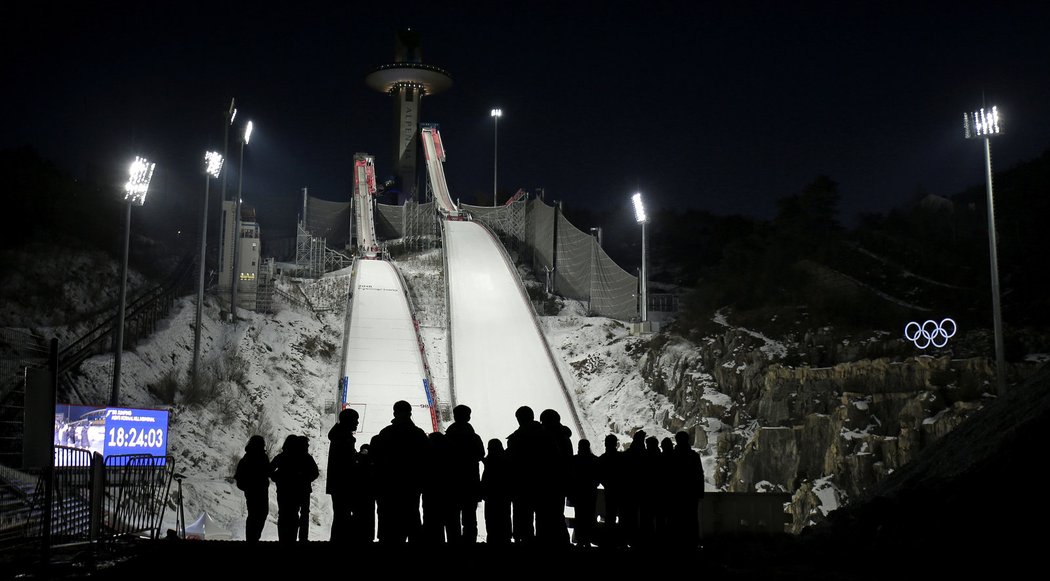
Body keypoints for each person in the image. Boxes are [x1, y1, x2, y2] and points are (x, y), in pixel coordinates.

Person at [369, 400, 429, 544]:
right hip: (411, 485)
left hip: (388, 486)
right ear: (410, 413)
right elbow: (426, 460)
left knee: (388, 522)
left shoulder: (385, 434)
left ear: (394, 413)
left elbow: (375, 460)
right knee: (412, 515)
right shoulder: (418, 434)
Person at [445, 404, 484, 544]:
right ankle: (469, 544)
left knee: (452, 519)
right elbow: (481, 454)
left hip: (451, 484)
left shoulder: (447, 437)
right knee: (470, 519)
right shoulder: (474, 437)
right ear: (468, 417)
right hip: (470, 484)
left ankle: (453, 544)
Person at [270, 434, 319, 543]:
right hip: (303, 490)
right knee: (303, 515)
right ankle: (302, 539)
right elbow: (315, 473)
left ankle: (284, 539)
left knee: (284, 515)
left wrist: (278, 478)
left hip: (284, 490)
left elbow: (270, 470)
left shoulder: (282, 457)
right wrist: (305, 479)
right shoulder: (306, 458)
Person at [506, 406, 543, 544]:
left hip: (520, 484)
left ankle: (522, 539)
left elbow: (509, 461)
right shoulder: (545, 435)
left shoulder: (516, 438)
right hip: (541, 483)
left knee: (522, 515)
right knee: (542, 516)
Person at [327, 408, 361, 543]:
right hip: (344, 484)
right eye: (355, 420)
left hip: (338, 484)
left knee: (341, 515)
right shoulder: (344, 439)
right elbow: (347, 463)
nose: (357, 423)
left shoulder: (339, 436)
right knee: (343, 515)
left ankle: (339, 541)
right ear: (348, 421)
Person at [670, 430, 704, 548]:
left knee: (676, 519)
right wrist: (700, 493)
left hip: (676, 494)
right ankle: (692, 543)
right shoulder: (694, 456)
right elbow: (699, 475)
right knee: (691, 519)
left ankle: (677, 543)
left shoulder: (673, 456)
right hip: (691, 494)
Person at [234, 435, 270, 542]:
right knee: (261, 514)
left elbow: (239, 478)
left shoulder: (246, 458)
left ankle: (251, 540)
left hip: (251, 492)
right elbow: (268, 472)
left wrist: (247, 488)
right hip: (261, 491)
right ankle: (253, 539)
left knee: (253, 516)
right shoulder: (263, 457)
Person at [569, 439, 599, 547]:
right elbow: (597, 477)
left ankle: (581, 539)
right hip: (590, 493)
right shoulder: (594, 460)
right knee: (589, 517)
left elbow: (571, 477)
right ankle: (587, 540)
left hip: (579, 493)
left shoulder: (574, 460)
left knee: (580, 516)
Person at [481, 438, 512, 546]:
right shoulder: (505, 461)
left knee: (491, 522)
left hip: (491, 498)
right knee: (504, 519)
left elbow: (484, 482)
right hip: (504, 498)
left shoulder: (489, 463)